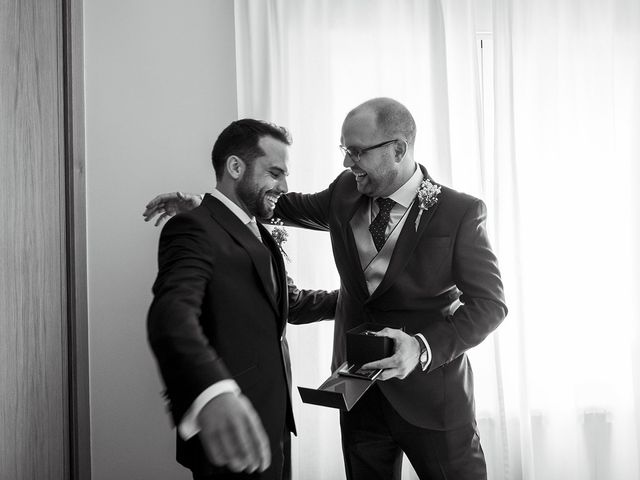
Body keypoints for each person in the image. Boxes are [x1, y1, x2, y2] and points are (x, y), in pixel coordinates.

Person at [144, 98, 507, 479]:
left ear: (398, 149)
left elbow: (490, 304)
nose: (347, 162)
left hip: (434, 400)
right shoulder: (345, 191)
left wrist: (420, 347)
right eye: (343, 150)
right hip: (358, 397)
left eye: (356, 151)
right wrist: (208, 206)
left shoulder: (459, 212)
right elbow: (275, 203)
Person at [147, 119, 337, 480]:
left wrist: (359, 300)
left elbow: (289, 305)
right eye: (275, 173)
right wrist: (213, 394)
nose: (284, 187)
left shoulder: (256, 231)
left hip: (272, 421)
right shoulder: (193, 226)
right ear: (235, 167)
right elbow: (171, 314)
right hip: (229, 430)